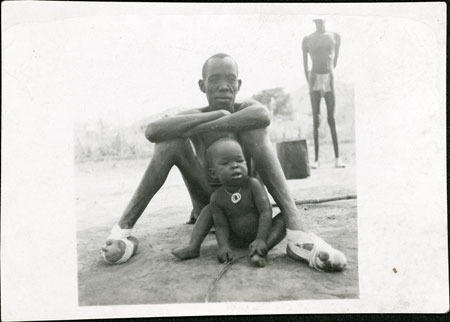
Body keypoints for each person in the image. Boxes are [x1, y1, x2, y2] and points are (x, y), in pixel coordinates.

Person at [103, 53, 347, 271]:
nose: (223, 87)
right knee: (170, 142)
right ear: (202, 85)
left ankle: (297, 233)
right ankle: (122, 233)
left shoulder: (247, 108)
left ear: (239, 84)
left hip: (250, 206)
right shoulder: (195, 114)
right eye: (214, 80)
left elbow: (262, 115)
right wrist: (215, 115)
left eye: (230, 80)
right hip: (209, 206)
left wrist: (215, 121)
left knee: (255, 129)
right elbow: (153, 131)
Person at [206, 137, 286, 267]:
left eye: (239, 160)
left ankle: (260, 251)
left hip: (264, 233)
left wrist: (260, 238)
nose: (235, 165)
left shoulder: (253, 185)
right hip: (236, 240)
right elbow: (221, 226)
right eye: (225, 163)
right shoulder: (217, 197)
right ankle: (256, 250)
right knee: (208, 212)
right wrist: (223, 246)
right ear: (214, 173)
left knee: (284, 217)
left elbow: (265, 211)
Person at [302, 18, 345, 169]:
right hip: (314, 77)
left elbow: (335, 60)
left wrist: (328, 71)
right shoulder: (307, 39)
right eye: (316, 21)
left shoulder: (335, 37)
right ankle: (316, 160)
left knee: (331, 118)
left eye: (321, 21)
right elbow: (305, 64)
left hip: (328, 76)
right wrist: (310, 82)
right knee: (316, 119)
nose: (319, 23)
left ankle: (337, 158)